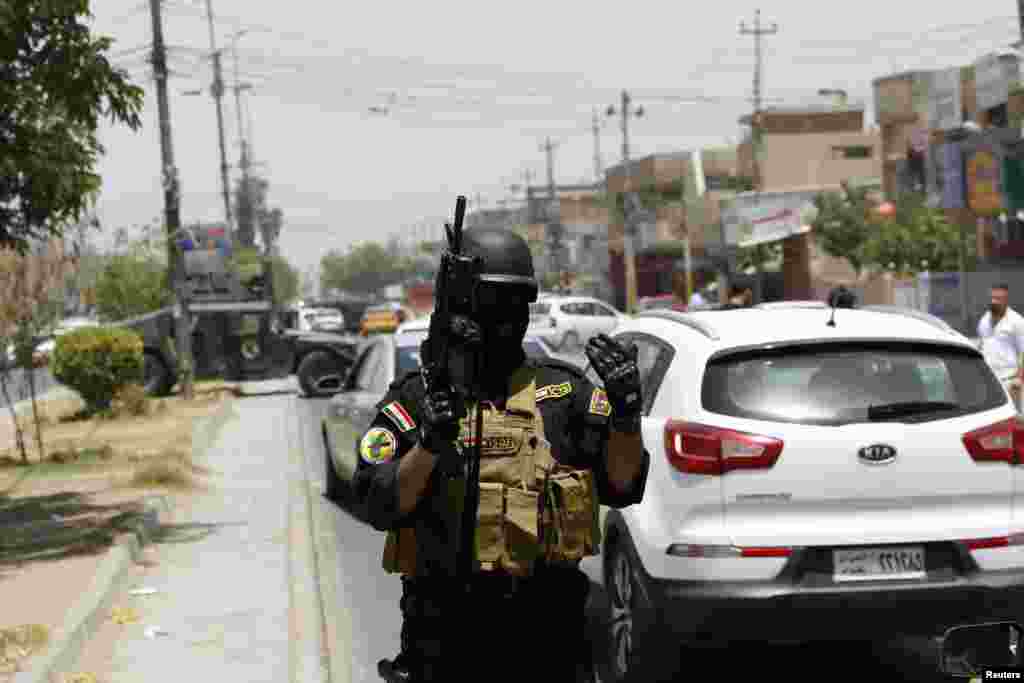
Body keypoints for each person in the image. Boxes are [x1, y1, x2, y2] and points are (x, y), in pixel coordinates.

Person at [353, 226, 650, 682]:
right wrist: (432, 441)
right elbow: (378, 502)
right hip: (445, 651)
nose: (508, 319)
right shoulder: (416, 400)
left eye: (518, 304)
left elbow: (623, 484)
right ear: (462, 306)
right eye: (494, 303)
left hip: (550, 649)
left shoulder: (563, 393)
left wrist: (627, 414)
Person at [977, 282, 1024, 411]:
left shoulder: (1017, 321)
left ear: (1005, 300)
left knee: (1014, 420)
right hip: (989, 380)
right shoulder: (984, 320)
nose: (994, 302)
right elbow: (981, 345)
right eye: (992, 298)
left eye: (998, 299)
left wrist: (1019, 379)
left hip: (1010, 381)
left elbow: (1023, 352)